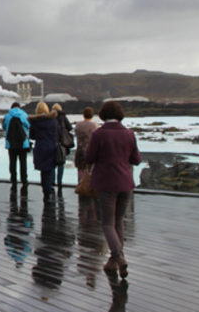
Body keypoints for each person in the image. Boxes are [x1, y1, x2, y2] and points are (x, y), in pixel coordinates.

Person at [84, 101, 141, 280]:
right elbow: (137, 159)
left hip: (107, 183)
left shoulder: (99, 134)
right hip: (126, 183)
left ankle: (119, 257)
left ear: (102, 114)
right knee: (119, 221)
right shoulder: (129, 134)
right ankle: (113, 262)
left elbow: (89, 157)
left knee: (107, 223)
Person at [28, 102, 60, 198]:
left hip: (40, 147)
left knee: (43, 170)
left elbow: (32, 136)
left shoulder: (35, 122)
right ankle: (49, 188)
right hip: (51, 146)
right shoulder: (53, 120)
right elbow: (58, 132)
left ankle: (45, 189)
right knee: (50, 169)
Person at [2, 102, 31, 185]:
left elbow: (4, 127)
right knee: (23, 162)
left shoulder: (7, 115)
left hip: (11, 143)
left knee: (12, 161)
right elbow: (28, 125)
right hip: (23, 142)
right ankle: (24, 179)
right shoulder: (24, 115)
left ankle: (13, 179)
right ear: (19, 107)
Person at [74, 106, 101, 183]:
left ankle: (81, 185)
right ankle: (90, 187)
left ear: (83, 114)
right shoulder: (94, 125)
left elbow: (76, 134)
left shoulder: (78, 125)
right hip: (90, 150)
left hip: (80, 149)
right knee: (90, 170)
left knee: (80, 170)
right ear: (92, 115)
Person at [52, 103, 74, 186]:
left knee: (53, 163)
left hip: (53, 142)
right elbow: (70, 127)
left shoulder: (51, 117)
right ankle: (60, 181)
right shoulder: (63, 117)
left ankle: (52, 181)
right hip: (62, 142)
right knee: (61, 162)